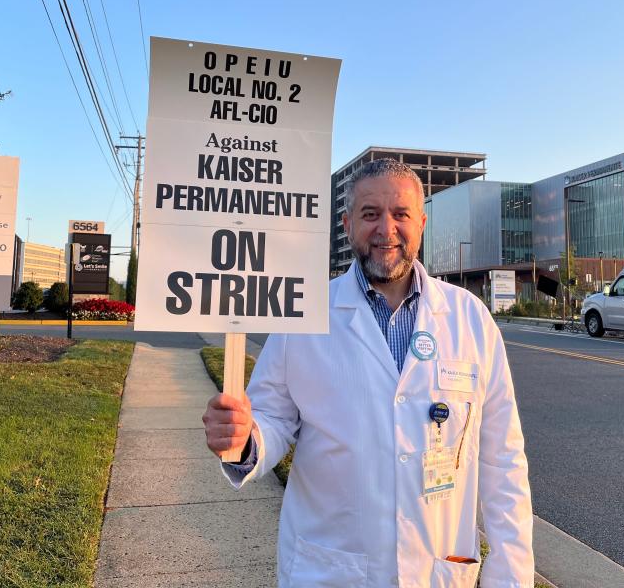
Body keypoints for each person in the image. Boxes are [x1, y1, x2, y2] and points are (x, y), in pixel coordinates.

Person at [202, 158, 534, 587]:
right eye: (370, 214)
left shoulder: (469, 318)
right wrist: (244, 437)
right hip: (330, 570)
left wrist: (510, 576)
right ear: (347, 224)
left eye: (401, 214)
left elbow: (502, 461)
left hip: (439, 571)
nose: (386, 229)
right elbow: (271, 419)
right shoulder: (304, 313)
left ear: (422, 222)